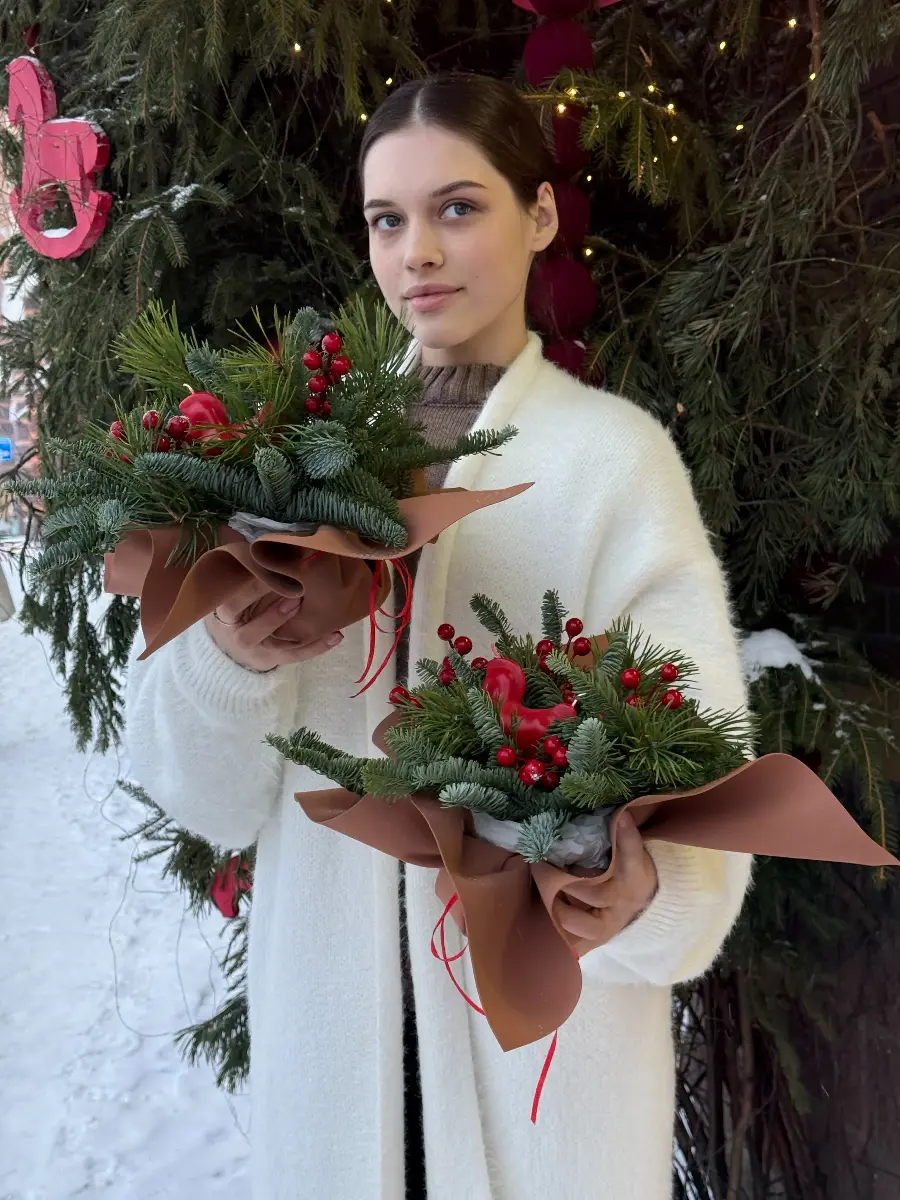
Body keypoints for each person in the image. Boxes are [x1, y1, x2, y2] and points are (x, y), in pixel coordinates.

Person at [125, 73, 753, 1200]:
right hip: (335, 1084)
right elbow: (204, 799)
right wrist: (231, 658)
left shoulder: (614, 464)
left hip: (549, 1096)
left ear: (541, 215)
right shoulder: (291, 451)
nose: (417, 251)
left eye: (458, 207)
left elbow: (704, 788)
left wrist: (645, 891)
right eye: (387, 219)